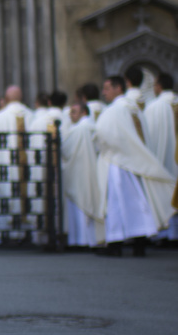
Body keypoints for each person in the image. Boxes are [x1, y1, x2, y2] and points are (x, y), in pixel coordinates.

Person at [94, 75, 176, 256]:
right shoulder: (134, 108)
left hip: (117, 164)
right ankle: (140, 241)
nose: (104, 92)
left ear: (118, 88)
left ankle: (115, 242)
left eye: (107, 88)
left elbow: (104, 135)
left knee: (116, 204)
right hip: (135, 163)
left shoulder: (115, 110)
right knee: (138, 204)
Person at [61, 101, 103, 248]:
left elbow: (65, 150)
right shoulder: (94, 126)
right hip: (94, 171)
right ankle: (91, 239)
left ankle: (81, 240)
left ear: (84, 112)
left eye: (74, 111)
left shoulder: (78, 130)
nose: (70, 115)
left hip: (79, 173)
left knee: (80, 205)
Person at [142, 72, 176, 239]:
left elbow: (149, 136)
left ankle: (165, 234)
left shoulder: (154, 107)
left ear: (159, 86)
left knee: (165, 190)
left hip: (163, 157)